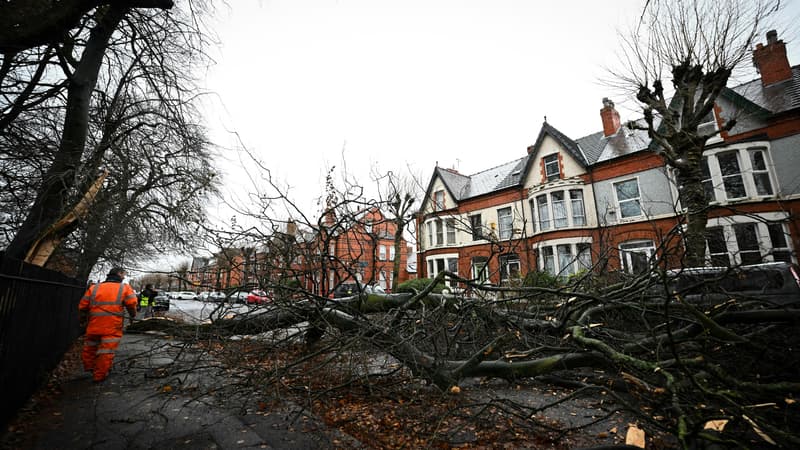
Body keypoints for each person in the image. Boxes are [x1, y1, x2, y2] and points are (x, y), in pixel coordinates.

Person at [78, 267, 138, 383]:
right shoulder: (124, 287)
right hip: (112, 326)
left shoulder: (94, 287)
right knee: (106, 351)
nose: (124, 277)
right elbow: (132, 304)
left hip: (94, 324)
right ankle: (99, 375)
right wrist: (132, 315)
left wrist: (82, 320)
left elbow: (82, 306)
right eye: (123, 274)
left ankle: (90, 367)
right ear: (119, 274)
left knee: (90, 347)